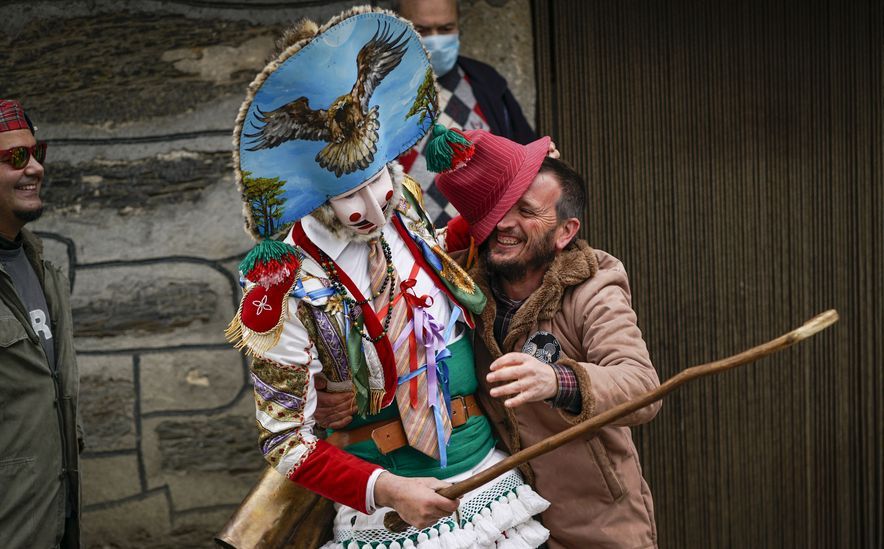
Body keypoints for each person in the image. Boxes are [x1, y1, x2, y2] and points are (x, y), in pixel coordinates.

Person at [227, 10, 549, 548]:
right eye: (351, 195)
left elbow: (442, 264)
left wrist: (506, 203)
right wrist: (387, 489)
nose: (376, 206)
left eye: (378, 179)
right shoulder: (281, 282)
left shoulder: (409, 203)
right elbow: (286, 440)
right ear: (313, 191)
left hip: (487, 477)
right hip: (391, 511)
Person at [434, 131, 663, 548]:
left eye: (527, 211)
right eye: (502, 207)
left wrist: (557, 381)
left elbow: (643, 387)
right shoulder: (461, 285)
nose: (505, 223)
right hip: (506, 524)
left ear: (564, 232)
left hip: (597, 526)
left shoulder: (595, 288)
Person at [0, 99, 83, 549]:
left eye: (37, 153)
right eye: (15, 158)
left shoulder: (41, 270)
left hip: (54, 523)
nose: (35, 168)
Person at [393, 0, 537, 225]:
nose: (435, 39)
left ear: (459, 26)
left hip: (487, 248)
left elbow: (530, 162)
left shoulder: (487, 84)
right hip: (410, 251)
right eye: (421, 30)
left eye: (445, 29)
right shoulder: (378, 96)